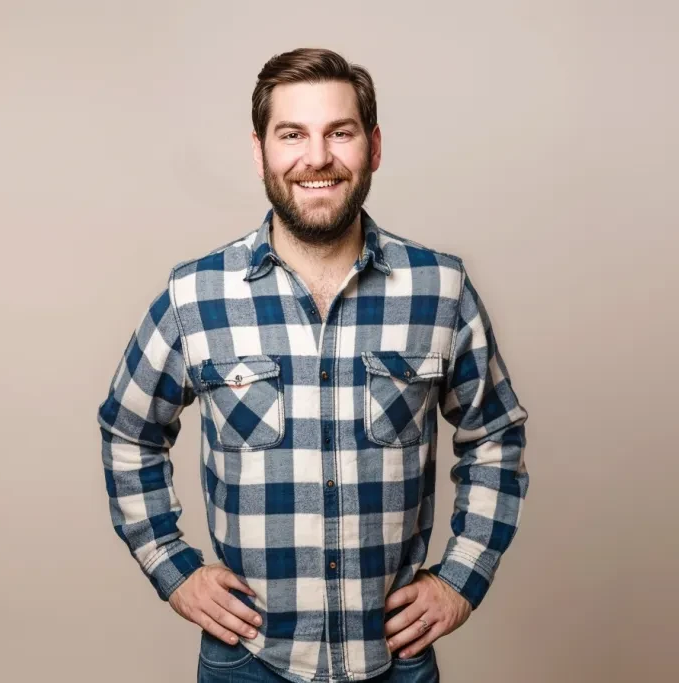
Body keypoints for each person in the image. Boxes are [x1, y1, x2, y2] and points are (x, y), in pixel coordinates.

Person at [96, 47, 530, 683]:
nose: (317, 157)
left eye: (340, 132)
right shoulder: (195, 295)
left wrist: (462, 579)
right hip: (248, 661)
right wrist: (171, 565)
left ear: (373, 147)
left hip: (395, 662)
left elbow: (495, 437)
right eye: (292, 134)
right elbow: (128, 429)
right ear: (260, 151)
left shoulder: (440, 288)